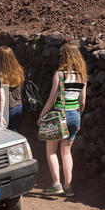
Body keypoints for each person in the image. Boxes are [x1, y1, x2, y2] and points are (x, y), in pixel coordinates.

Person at [38, 43, 88, 197]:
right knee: (66, 152)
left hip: (60, 114)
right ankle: (68, 187)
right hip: (75, 114)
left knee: (51, 150)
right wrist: (78, 117)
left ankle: (56, 184)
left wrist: (42, 115)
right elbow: (83, 101)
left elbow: (52, 99)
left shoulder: (60, 74)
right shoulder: (82, 75)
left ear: (64, 56)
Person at [0, 46, 24, 132]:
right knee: (15, 132)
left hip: (7, 109)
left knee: (5, 136)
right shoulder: (19, 70)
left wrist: (1, 115)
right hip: (19, 106)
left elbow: (1, 97)